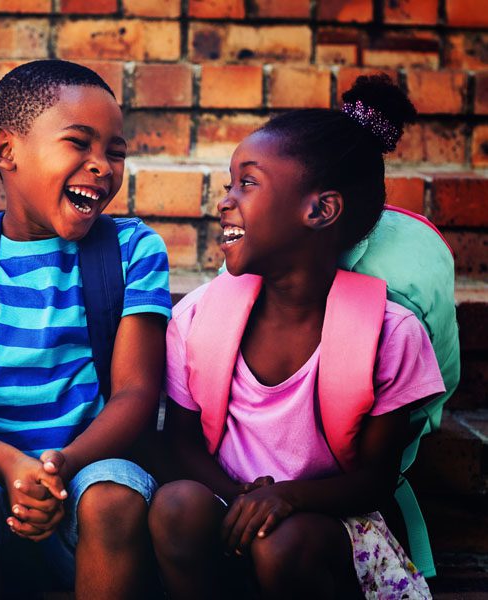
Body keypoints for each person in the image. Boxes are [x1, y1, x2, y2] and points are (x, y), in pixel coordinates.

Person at [149, 74, 444, 599]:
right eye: (228, 185)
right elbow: (179, 443)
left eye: (248, 183)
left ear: (320, 209)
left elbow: (376, 479)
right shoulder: (197, 318)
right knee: (175, 506)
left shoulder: (390, 333)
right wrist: (248, 499)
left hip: (329, 527)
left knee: (281, 545)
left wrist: (289, 498)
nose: (225, 201)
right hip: (228, 504)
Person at [0, 59, 171, 599]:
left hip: (87, 473)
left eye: (115, 151)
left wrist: (62, 465)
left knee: (114, 498)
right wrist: (9, 466)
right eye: (79, 144)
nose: (102, 166)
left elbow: (138, 391)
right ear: (5, 151)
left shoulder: (135, 249)